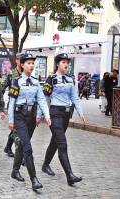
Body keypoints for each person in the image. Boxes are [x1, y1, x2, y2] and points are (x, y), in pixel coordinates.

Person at [8, 53, 51, 191]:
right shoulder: (17, 81)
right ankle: (34, 179)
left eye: (33, 63)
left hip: (31, 118)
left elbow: (42, 100)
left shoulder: (36, 82)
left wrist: (46, 115)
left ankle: (15, 171)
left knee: (21, 145)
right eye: (28, 63)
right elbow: (12, 102)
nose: (31, 65)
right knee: (27, 147)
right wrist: (11, 120)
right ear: (21, 65)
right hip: (19, 116)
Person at [42, 53, 86, 186]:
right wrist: (43, 116)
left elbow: (75, 98)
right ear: (57, 64)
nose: (66, 64)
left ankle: (45, 165)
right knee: (62, 143)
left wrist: (81, 113)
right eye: (63, 62)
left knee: (55, 142)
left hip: (66, 115)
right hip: (55, 113)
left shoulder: (70, 80)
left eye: (67, 62)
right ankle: (69, 175)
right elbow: (45, 99)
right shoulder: (51, 79)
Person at [2, 52, 25, 158]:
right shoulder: (11, 74)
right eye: (21, 60)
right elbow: (1, 88)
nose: (22, 62)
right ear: (16, 61)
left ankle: (7, 147)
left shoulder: (27, 75)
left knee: (16, 129)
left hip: (24, 108)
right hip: (13, 106)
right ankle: (23, 155)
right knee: (17, 131)